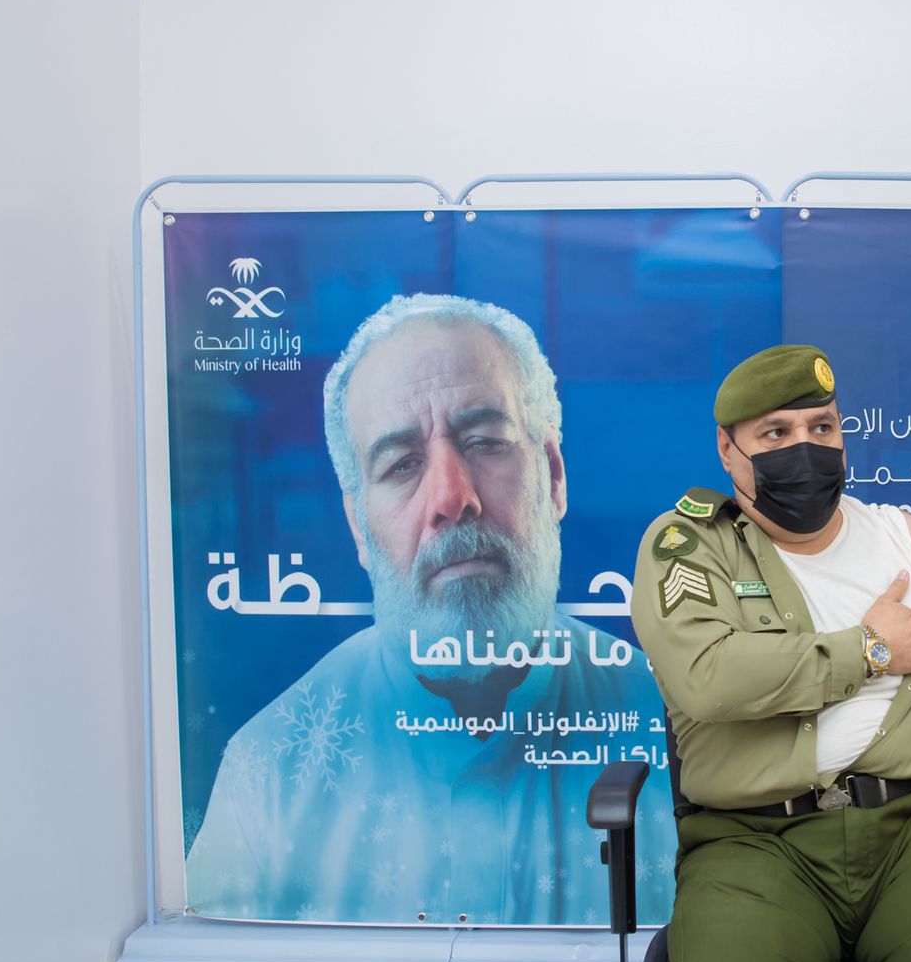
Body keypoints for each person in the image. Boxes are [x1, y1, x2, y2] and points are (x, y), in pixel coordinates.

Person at [186, 294, 675, 926]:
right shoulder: (269, 776)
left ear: (553, 476)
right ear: (359, 528)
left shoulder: (676, 732)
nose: (450, 497)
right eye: (402, 465)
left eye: (484, 442)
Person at [630, 344, 911, 962]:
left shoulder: (909, 540)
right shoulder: (691, 546)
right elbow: (708, 677)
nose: (805, 448)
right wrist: (873, 650)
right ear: (729, 450)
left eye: (822, 427)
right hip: (756, 844)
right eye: (776, 433)